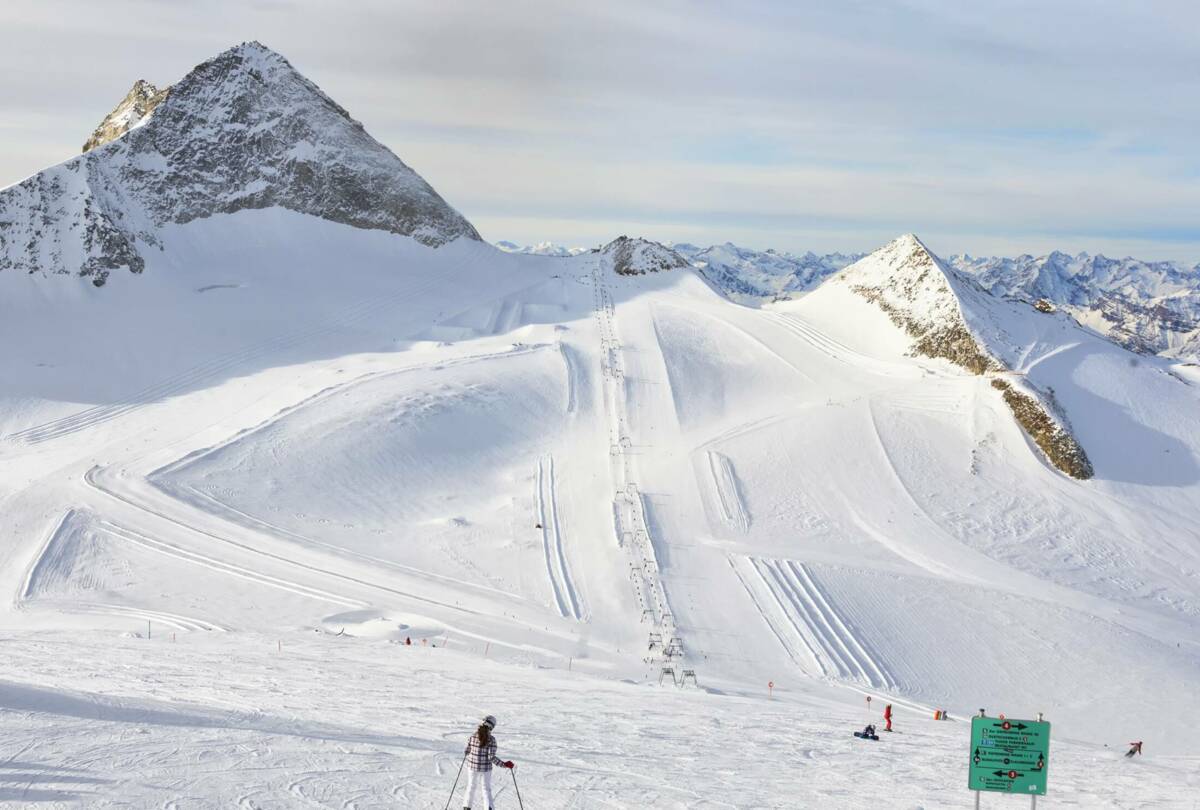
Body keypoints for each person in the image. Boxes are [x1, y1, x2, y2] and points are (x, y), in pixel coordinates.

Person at [463, 715, 514, 809]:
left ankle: (466, 808)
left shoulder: (473, 736)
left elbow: (468, 749)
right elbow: (491, 757)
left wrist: (467, 751)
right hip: (485, 769)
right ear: (492, 727)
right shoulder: (491, 740)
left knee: (471, 787)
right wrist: (504, 764)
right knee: (486, 789)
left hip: (472, 767)